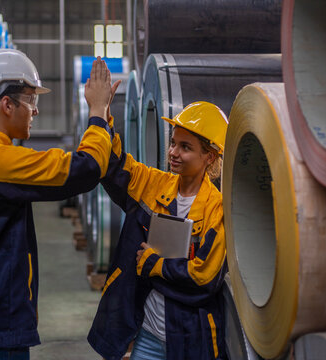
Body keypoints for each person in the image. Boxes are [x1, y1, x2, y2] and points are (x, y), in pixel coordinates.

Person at [0, 51, 119, 360]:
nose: (35, 111)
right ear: (7, 105)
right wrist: (98, 112)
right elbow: (84, 170)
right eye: (31, 101)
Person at [88, 101, 229, 360]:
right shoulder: (153, 185)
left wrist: (154, 265)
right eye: (173, 142)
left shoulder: (216, 210)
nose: (173, 152)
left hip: (190, 339)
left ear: (210, 156)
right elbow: (115, 167)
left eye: (185, 147)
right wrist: (103, 116)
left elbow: (204, 278)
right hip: (148, 335)